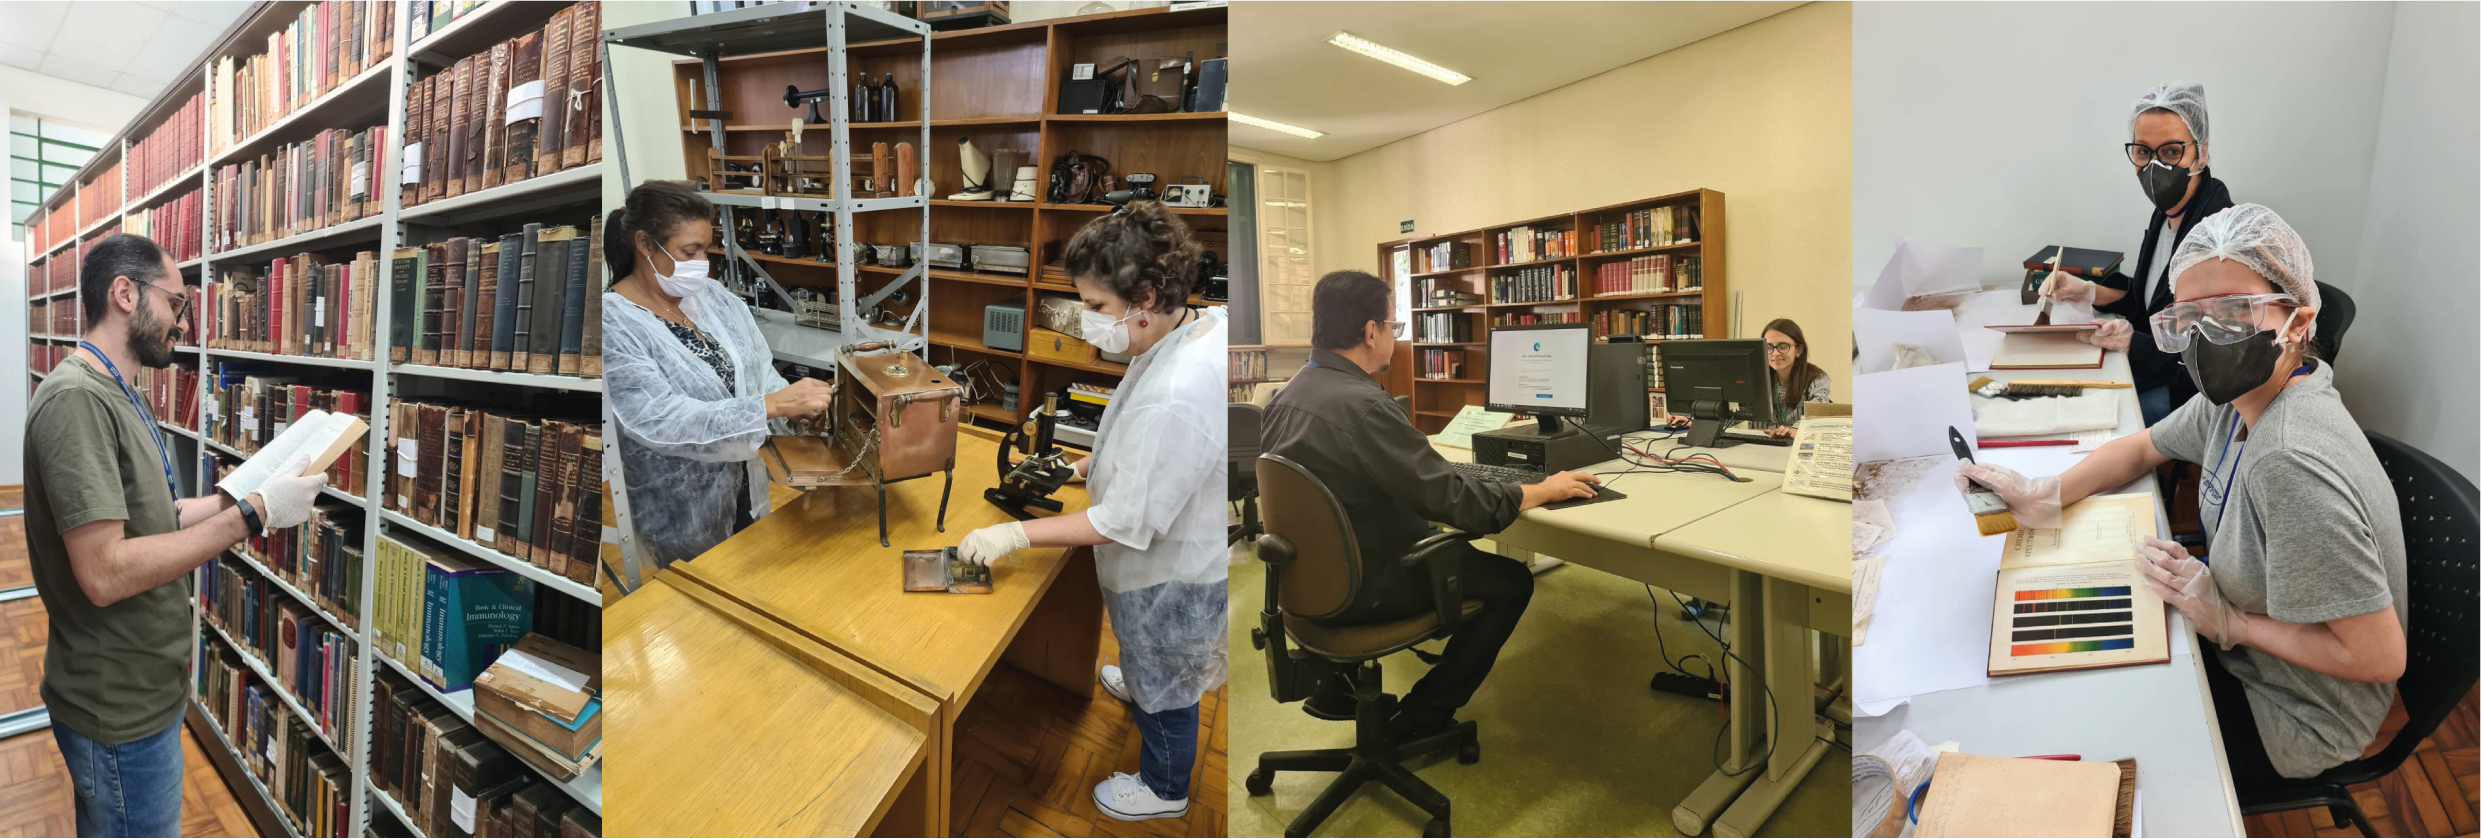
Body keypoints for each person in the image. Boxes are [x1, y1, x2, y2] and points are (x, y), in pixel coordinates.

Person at [1959, 205, 2406, 781]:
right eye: (2188, 317)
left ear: (2299, 319)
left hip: (2296, 711)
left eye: (2234, 311)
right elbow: (2141, 447)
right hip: (2246, 650)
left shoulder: (2289, 460)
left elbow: (2378, 656)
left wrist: (2232, 624)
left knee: (2097, 718)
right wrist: (2046, 492)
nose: (2208, 337)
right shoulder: (2246, 394)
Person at [25, 234, 330, 837]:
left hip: (145, 690)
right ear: (124, 294)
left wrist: (234, 497)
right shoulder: (77, 401)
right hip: (116, 705)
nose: (182, 325)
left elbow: (149, 514)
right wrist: (251, 517)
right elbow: (105, 572)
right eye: (177, 303)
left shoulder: (121, 389)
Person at [952, 201, 1229, 823]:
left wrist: (1014, 536)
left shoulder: (1177, 390)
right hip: (1178, 540)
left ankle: (1165, 789)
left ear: (1147, 297)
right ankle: (1142, 680)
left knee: (1169, 685)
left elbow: (1123, 520)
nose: (1088, 322)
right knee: (1148, 658)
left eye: (1098, 308)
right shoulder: (1189, 329)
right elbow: (1141, 442)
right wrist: (1080, 467)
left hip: (1174, 568)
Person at [1259, 270, 1602, 744]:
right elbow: (1455, 501)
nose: (1394, 337)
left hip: (1308, 580)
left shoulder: (1288, 395)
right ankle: (1426, 714)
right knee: (1512, 581)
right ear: (1370, 332)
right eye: (1394, 326)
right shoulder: (1365, 407)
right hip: (1366, 580)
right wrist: (1538, 490)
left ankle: (1334, 681)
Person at [602, 181, 835, 568]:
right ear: (645, 244)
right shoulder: (616, 321)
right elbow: (661, 420)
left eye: (705, 249)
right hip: (682, 505)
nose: (701, 262)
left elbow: (758, 371)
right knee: (701, 607)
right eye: (689, 251)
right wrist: (771, 406)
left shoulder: (712, 297)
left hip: (745, 481)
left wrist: (793, 412)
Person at [2039, 82, 2236, 426]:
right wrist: (2088, 291)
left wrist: (2133, 343)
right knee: (2059, 390)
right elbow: (2155, 303)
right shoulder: (2169, 212)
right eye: (2143, 152)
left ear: (2201, 152)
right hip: (2154, 371)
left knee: (2081, 420)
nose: (2155, 166)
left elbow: (2206, 362)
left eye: (2172, 151)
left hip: (2190, 400)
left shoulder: (2215, 241)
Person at [1665, 317, 1832, 437]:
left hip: (1795, 448)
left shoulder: (1816, 378)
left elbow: (1817, 412)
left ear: (1798, 350)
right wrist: (1696, 420)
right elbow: (1734, 411)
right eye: (1769, 347)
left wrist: (1795, 430)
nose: (1775, 353)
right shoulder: (1756, 376)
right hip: (1760, 445)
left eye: (1783, 346)